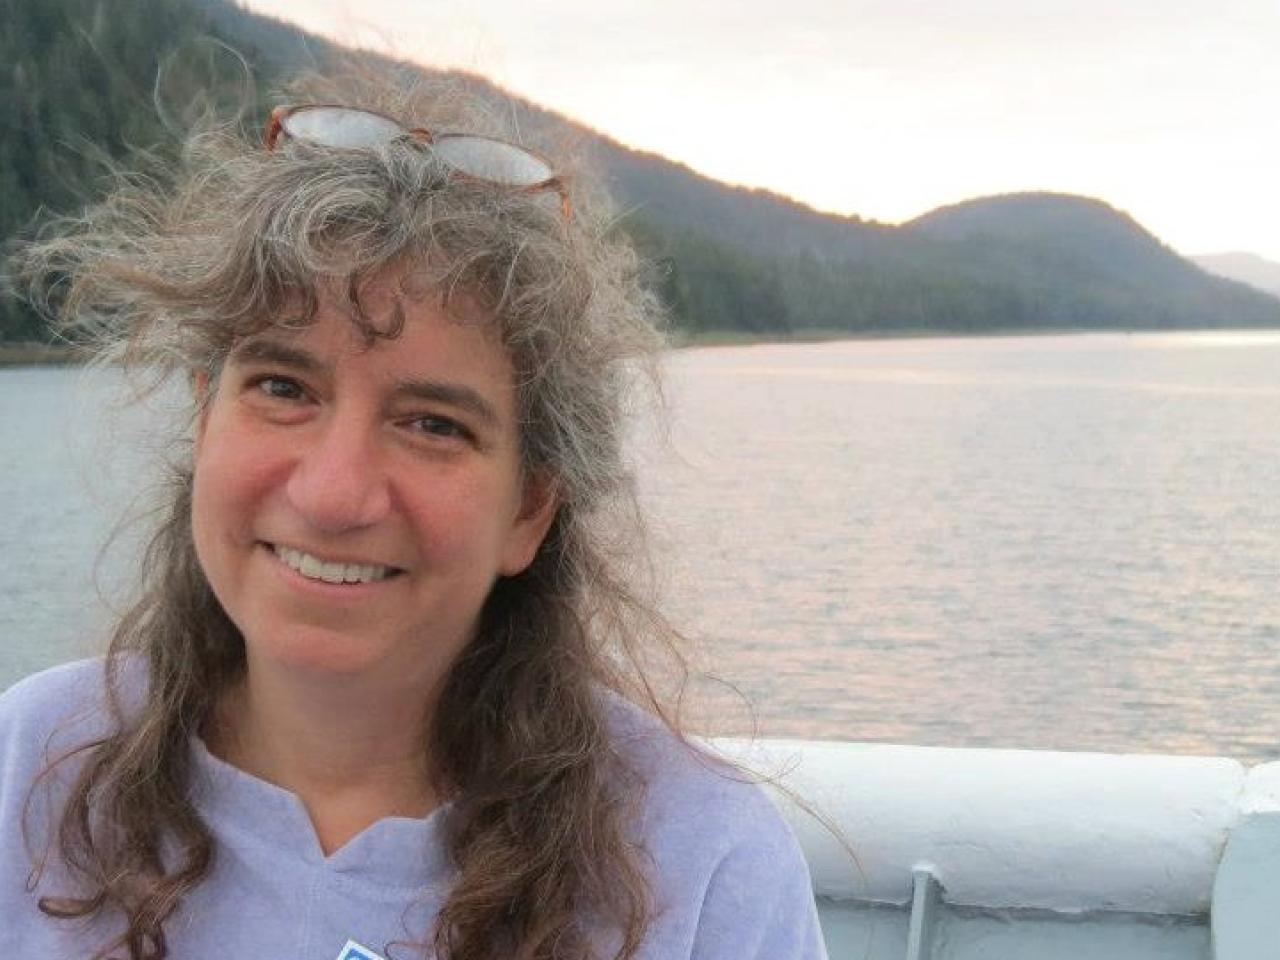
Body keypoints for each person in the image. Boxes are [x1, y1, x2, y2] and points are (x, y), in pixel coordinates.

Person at [0, 72, 827, 960]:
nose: (333, 494)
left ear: (530, 507)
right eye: (283, 388)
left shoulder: (698, 864)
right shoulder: (36, 766)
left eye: (433, 424)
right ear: (204, 421)